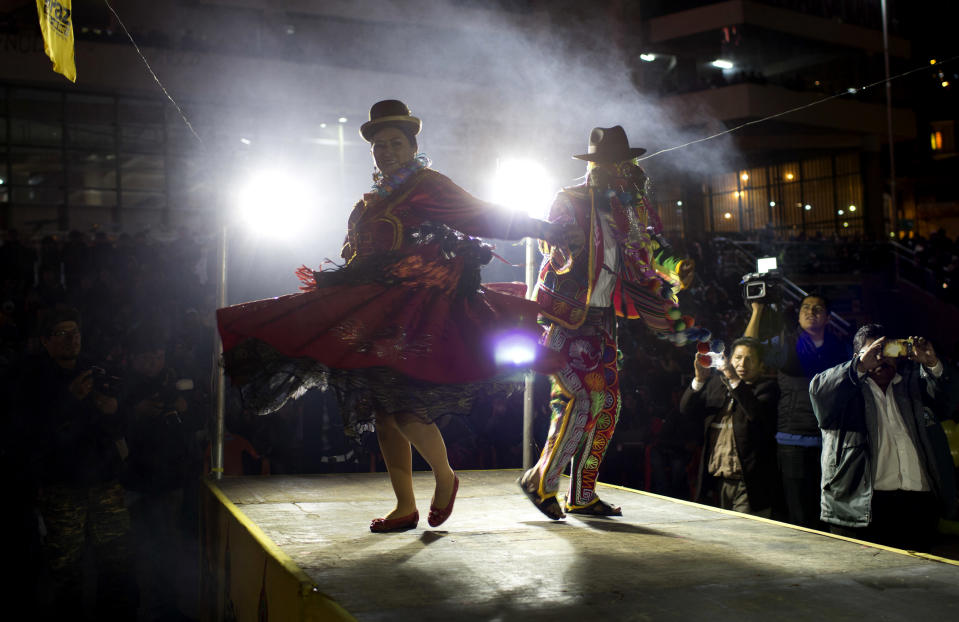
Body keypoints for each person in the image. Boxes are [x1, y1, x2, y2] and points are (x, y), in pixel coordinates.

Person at [217, 100, 571, 532]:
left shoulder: (426, 185)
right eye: (378, 145)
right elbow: (356, 255)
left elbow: (481, 214)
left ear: (412, 145)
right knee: (383, 413)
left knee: (401, 407)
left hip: (415, 314)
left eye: (394, 143)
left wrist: (539, 226)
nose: (385, 151)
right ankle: (404, 506)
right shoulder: (368, 202)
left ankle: (445, 476)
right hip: (374, 314)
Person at [518, 126, 701, 519]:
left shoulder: (631, 212)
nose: (625, 170)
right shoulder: (569, 201)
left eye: (628, 163)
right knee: (577, 399)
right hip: (564, 317)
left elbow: (653, 250)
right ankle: (541, 482)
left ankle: (582, 494)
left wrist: (676, 266)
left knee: (608, 404)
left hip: (601, 321)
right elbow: (553, 247)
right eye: (616, 164)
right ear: (597, 167)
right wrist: (567, 242)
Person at [11, 306, 138, 618]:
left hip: (104, 481)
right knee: (66, 567)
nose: (71, 340)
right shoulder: (32, 378)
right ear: (46, 341)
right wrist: (70, 399)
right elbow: (30, 432)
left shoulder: (95, 371)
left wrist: (112, 411)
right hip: (61, 487)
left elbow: (118, 425)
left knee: (117, 560)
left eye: (75, 333)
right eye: (62, 334)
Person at [809, 325, 959, 551]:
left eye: (888, 350)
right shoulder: (845, 388)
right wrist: (858, 366)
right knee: (862, 583)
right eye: (873, 351)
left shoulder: (914, 384)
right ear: (856, 356)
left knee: (922, 584)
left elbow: (948, 404)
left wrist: (932, 364)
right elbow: (819, 393)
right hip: (863, 508)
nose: (881, 358)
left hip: (920, 507)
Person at [745, 295, 849, 527]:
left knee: (828, 510)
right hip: (794, 440)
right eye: (805, 308)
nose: (811, 312)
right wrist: (757, 311)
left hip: (830, 441)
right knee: (800, 514)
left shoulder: (839, 348)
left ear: (828, 318)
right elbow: (749, 348)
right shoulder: (786, 345)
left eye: (818, 308)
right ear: (798, 315)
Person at [678, 337, 779, 516]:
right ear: (730, 359)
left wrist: (733, 378)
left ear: (761, 365)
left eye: (749, 359)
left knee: (745, 534)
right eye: (738, 358)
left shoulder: (767, 388)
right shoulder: (717, 385)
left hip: (748, 483)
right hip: (716, 478)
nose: (742, 363)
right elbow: (686, 410)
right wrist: (699, 380)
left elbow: (756, 416)